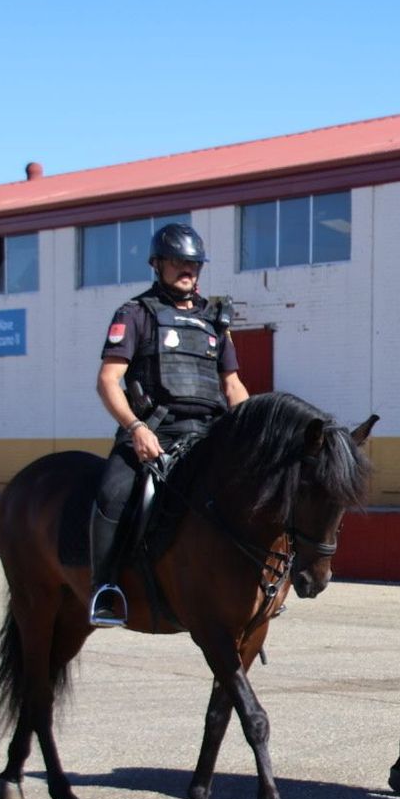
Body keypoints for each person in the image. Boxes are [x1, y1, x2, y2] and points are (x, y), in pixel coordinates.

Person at [88, 223, 249, 627]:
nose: (188, 271)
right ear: (157, 264)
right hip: (153, 435)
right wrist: (135, 428)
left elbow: (232, 384)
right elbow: (108, 381)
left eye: (194, 264)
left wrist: (249, 429)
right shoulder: (135, 314)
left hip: (209, 435)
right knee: (113, 495)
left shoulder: (215, 321)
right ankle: (105, 588)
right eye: (179, 262)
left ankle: (257, 586)